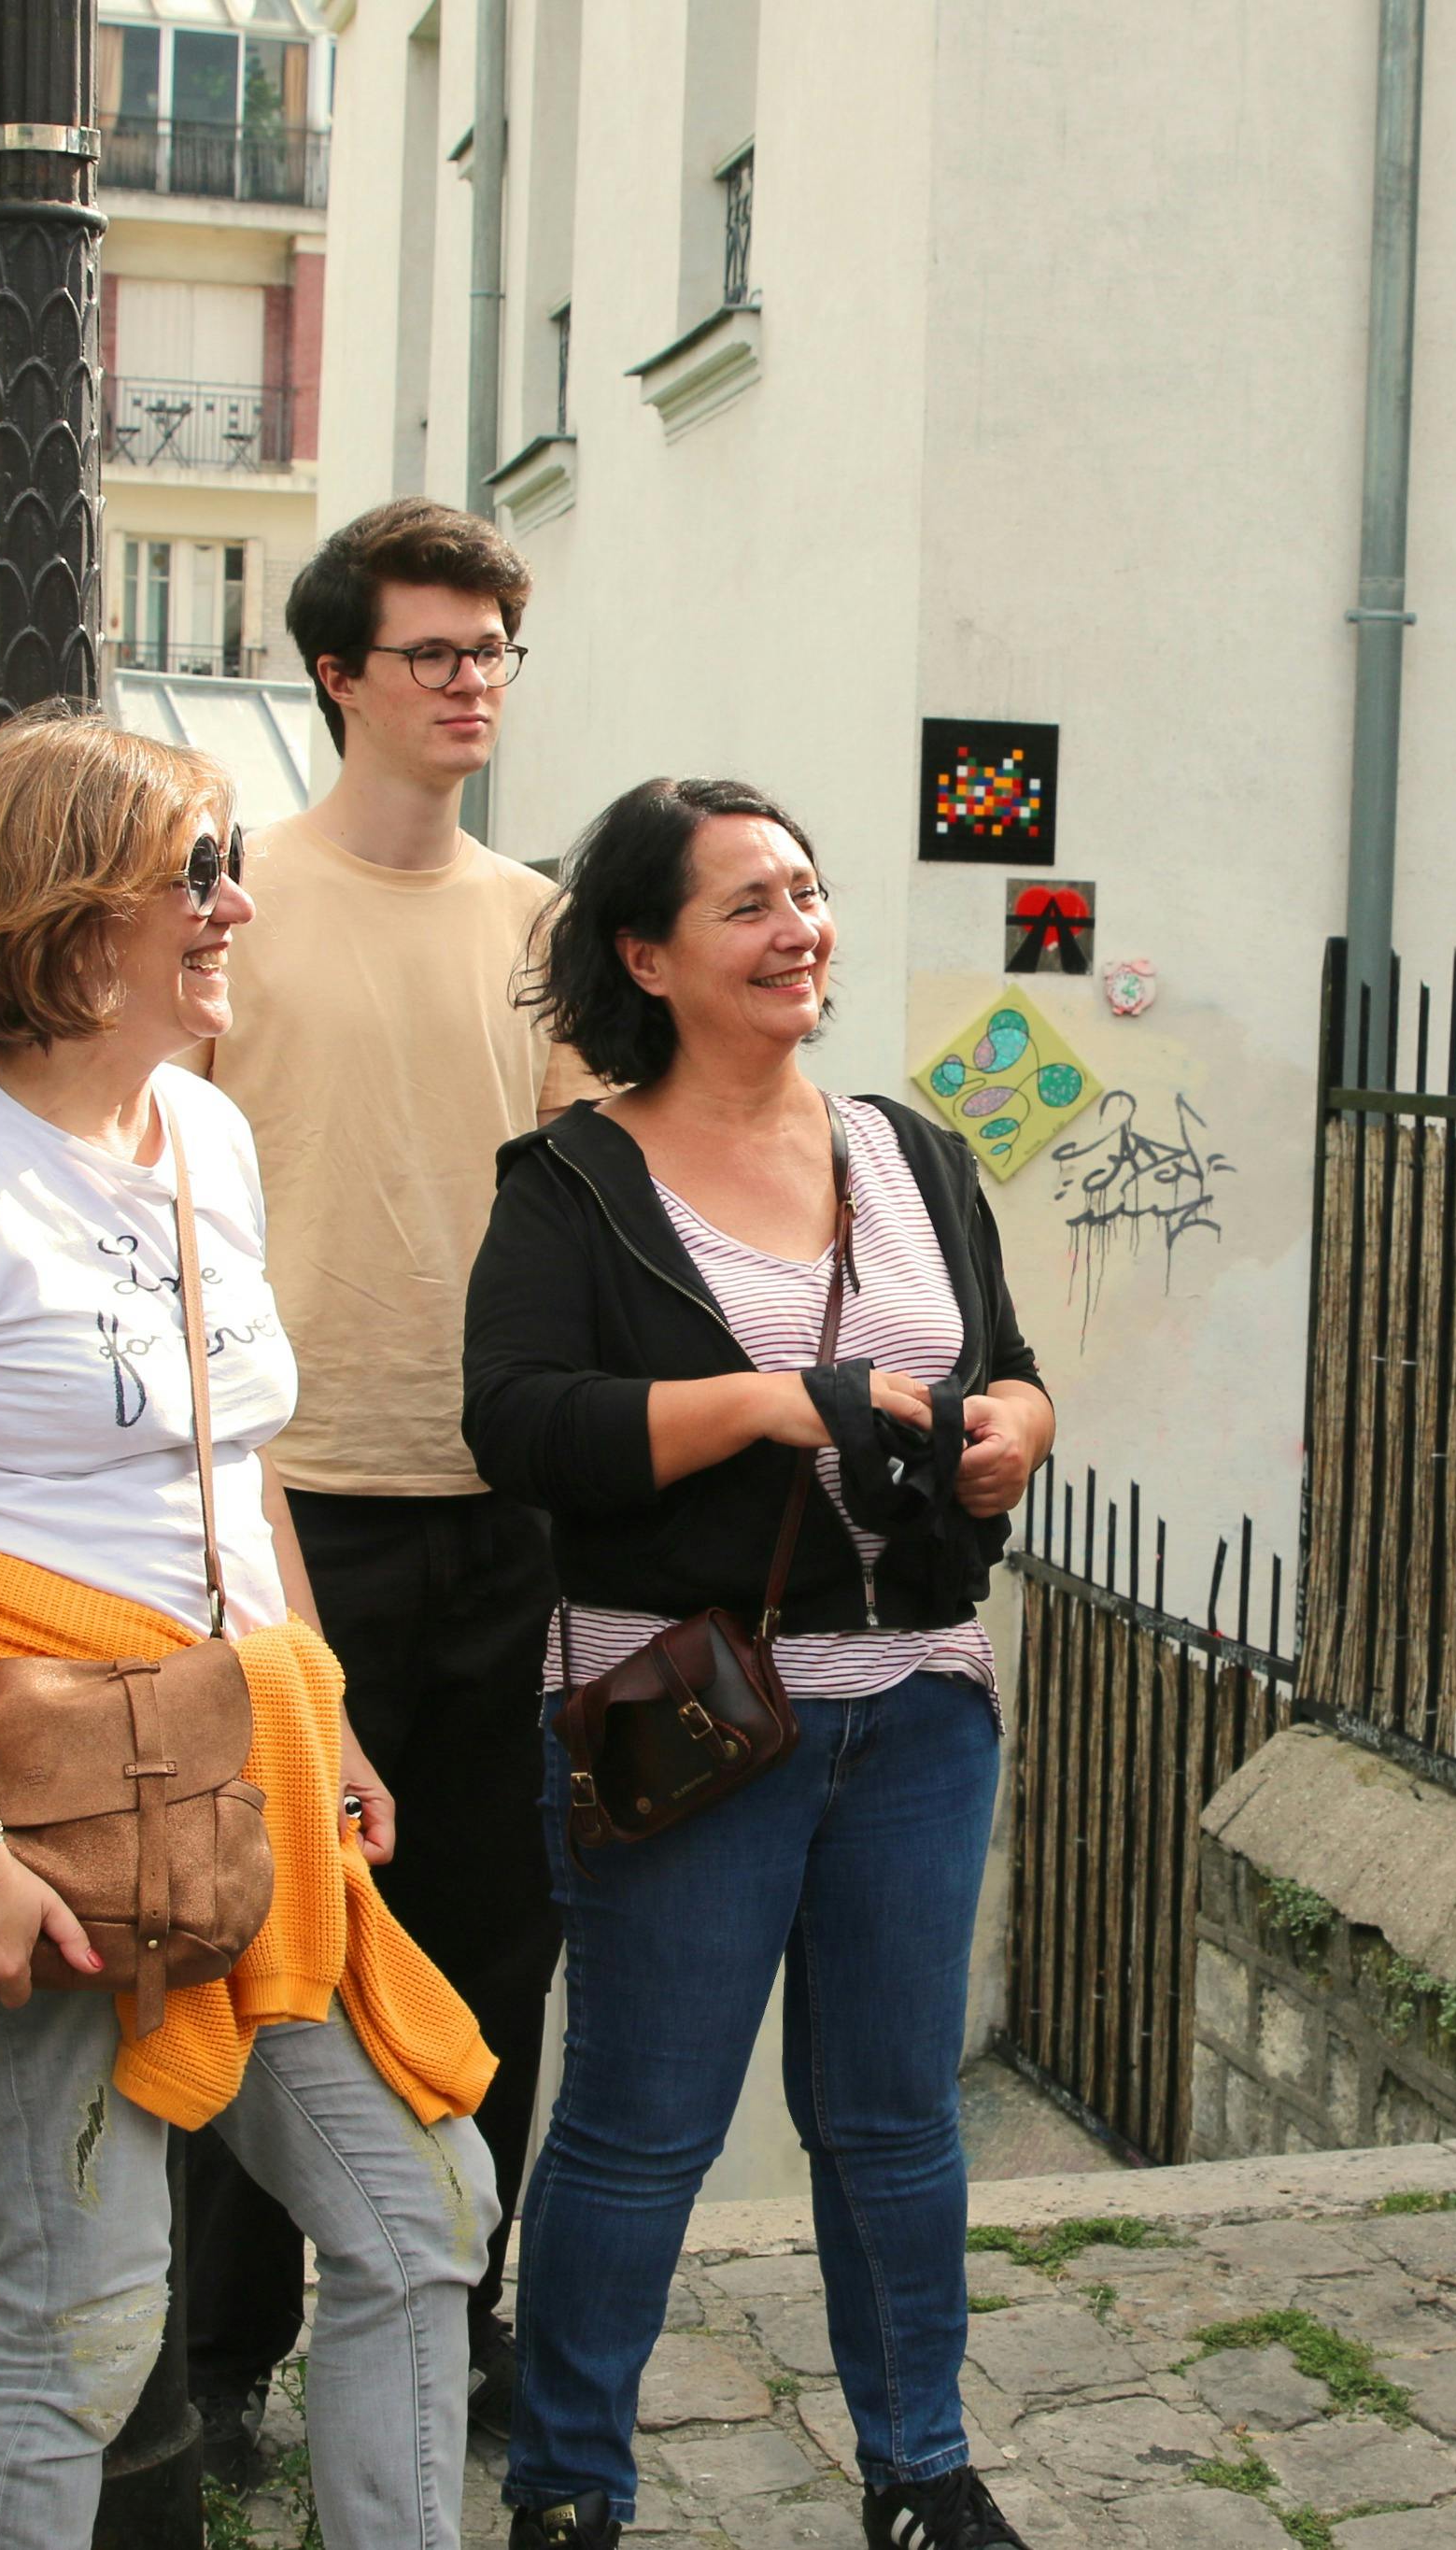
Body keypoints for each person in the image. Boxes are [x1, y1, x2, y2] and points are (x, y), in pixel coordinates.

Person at [0, 704, 500, 2549]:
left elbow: (235, 1464)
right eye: (197, 874)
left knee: (423, 2212)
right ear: (64, 909)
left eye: (231, 870)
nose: (233, 909)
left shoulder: (204, 1131)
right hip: (50, 1809)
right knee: (80, 2313)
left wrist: (327, 1731)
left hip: (236, 1773)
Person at [464, 777, 1057, 2550]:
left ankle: (921, 2469)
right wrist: (768, 1402)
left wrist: (1016, 1430)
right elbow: (520, 1425)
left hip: (920, 1707)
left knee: (895, 2120)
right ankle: (572, 2484)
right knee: (643, 2124)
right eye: (748, 904)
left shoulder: (916, 1154)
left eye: (806, 890)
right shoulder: (573, 1182)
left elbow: (1009, 1362)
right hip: (691, 1712)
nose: (799, 928)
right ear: (645, 955)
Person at [191, 495, 600, 2468]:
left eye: (493, 650)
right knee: (264, 1943)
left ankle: (457, 2309)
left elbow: (595, 1200)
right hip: (285, 1512)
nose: (471, 683)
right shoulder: (236, 901)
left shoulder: (542, 928)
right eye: (434, 651)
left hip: (505, 1509)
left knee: (490, 1946)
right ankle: (223, 2354)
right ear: (338, 673)